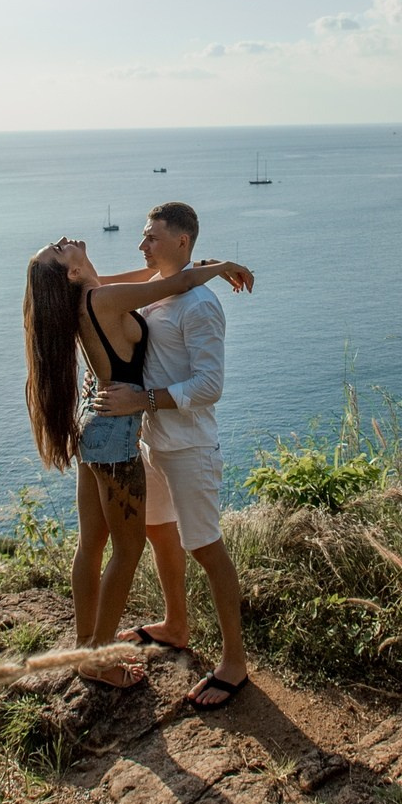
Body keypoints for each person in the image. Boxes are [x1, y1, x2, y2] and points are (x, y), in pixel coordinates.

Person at [22, 236, 251, 686]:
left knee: (91, 544)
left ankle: (86, 642)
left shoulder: (91, 294)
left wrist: (202, 265)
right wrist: (221, 265)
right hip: (116, 435)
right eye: (56, 250)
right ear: (69, 272)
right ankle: (100, 661)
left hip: (94, 424)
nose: (61, 241)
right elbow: (175, 282)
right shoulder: (103, 297)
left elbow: (154, 278)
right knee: (127, 550)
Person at [97, 202, 253, 710]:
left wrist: (141, 400)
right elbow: (107, 299)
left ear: (181, 241)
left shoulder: (200, 306)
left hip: (189, 447)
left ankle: (234, 663)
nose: (142, 245)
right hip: (154, 441)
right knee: (158, 532)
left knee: (206, 548)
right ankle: (176, 624)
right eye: (143, 236)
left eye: (152, 238)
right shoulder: (161, 294)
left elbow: (211, 385)